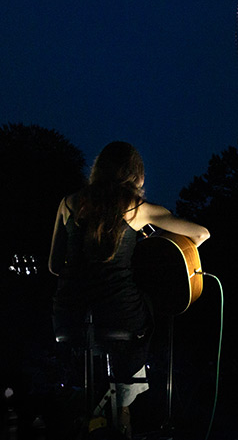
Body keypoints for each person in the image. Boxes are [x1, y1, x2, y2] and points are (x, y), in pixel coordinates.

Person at [48, 141, 210, 437]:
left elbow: (54, 265)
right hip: (120, 316)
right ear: (136, 176)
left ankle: (85, 402)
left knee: (90, 341)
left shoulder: (68, 203)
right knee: (145, 312)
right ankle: (123, 404)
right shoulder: (139, 210)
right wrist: (158, 244)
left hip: (67, 317)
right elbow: (201, 233)